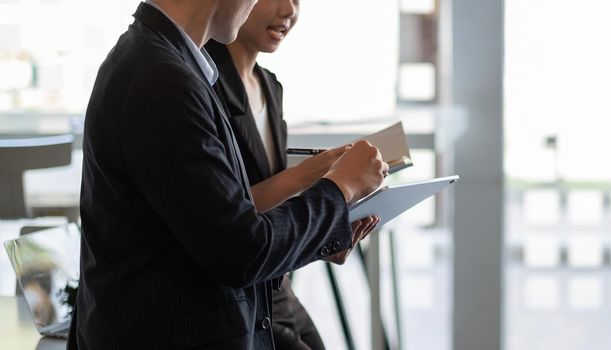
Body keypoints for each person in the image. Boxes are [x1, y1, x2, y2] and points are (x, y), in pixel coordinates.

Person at [71, 0, 387, 348]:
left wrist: (320, 231)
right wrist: (340, 188)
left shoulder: (164, 63)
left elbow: (214, 228)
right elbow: (240, 250)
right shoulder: (161, 77)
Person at [204, 0, 375, 348]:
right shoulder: (205, 85)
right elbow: (225, 213)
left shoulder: (270, 85)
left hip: (277, 285)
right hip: (237, 296)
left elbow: (274, 209)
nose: (289, 10)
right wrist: (314, 175)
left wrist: (323, 238)